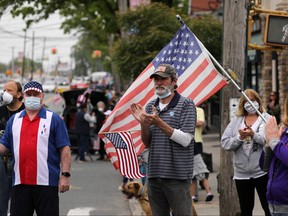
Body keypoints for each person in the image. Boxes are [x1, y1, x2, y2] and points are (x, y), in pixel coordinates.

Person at [130, 64, 196, 216]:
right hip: (154, 175)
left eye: (163, 79)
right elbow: (147, 142)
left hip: (177, 176)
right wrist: (143, 123)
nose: (159, 82)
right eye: (156, 79)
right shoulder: (150, 106)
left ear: (174, 81)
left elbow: (186, 139)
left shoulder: (186, 104)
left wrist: (158, 122)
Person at [0, 80, 71, 216]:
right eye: (29, 94)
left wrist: (65, 175)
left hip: (46, 184)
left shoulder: (54, 119)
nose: (32, 97)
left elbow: (65, 148)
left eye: (35, 94)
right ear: (24, 96)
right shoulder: (14, 120)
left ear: (42, 96)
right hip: (20, 184)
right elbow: (4, 147)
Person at [221, 89, 271, 216]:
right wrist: (239, 138)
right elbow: (225, 143)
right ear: (242, 104)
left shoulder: (267, 119)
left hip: (262, 172)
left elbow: (270, 141)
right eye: (247, 101)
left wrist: (254, 135)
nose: (250, 103)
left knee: (268, 207)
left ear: (259, 101)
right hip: (242, 173)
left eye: (253, 100)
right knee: (246, 210)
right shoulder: (236, 120)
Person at [0, 80, 25, 216]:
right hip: (2, 161)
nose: (5, 93)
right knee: (1, 200)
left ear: (19, 94)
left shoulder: (26, 112)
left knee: (20, 202)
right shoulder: (1, 111)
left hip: (20, 161)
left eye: (10, 90)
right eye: (4, 90)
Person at [261, 93, 288, 215]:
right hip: (275, 203)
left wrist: (274, 142)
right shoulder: (284, 132)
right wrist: (268, 145)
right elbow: (264, 166)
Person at [191, 107, 213, 202]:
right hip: (186, 142)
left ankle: (208, 192)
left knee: (200, 170)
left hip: (197, 142)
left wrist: (188, 122)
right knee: (193, 173)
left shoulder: (199, 110)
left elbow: (201, 123)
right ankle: (193, 195)